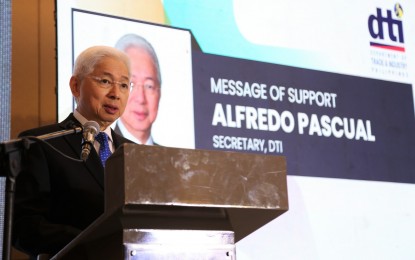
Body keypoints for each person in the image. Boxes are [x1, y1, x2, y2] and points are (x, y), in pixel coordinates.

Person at [12, 46, 133, 258]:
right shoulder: (40, 143)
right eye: (105, 81)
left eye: (124, 85)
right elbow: (25, 228)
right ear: (75, 86)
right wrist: (94, 242)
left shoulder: (136, 154)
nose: (115, 94)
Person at [114, 34, 161, 145]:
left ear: (160, 93)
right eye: (131, 84)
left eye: (149, 86)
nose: (141, 99)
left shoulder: (173, 160)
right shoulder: (99, 153)